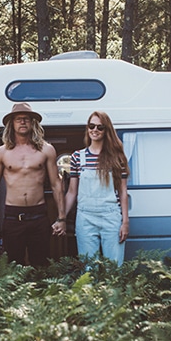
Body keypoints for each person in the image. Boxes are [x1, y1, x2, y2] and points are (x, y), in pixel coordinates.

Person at [0, 102, 67, 267]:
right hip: (12, 216)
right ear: (12, 124)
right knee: (14, 266)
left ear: (32, 123)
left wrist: (61, 218)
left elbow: (56, 184)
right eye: (18, 119)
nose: (22, 122)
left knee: (41, 265)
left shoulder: (46, 150)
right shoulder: (1, 152)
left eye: (26, 119)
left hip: (39, 215)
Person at [65, 111, 130, 265]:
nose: (95, 130)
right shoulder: (77, 157)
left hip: (111, 216)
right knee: (88, 267)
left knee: (114, 266)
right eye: (91, 126)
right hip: (85, 216)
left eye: (100, 127)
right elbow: (72, 192)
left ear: (107, 130)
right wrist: (61, 217)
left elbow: (122, 192)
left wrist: (125, 222)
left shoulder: (117, 158)